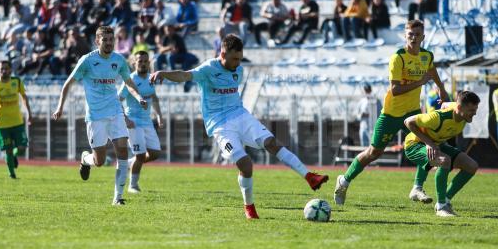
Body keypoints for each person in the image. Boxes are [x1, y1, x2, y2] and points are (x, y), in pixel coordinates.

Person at [149, 34, 329, 219]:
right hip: (219, 124)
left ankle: (309, 176)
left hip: (240, 115)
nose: (237, 63)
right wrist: (164, 74)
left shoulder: (239, 70)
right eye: (234, 58)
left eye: (240, 59)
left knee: (272, 142)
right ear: (223, 53)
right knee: (245, 164)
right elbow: (185, 75)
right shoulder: (209, 68)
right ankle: (249, 207)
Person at [334, 19, 449, 205]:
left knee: (429, 143)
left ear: (423, 37)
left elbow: (432, 70)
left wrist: (441, 89)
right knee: (373, 153)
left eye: (417, 35)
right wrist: (421, 82)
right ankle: (344, 180)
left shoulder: (427, 56)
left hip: (412, 113)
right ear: (405, 35)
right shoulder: (398, 58)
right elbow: (395, 89)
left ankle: (417, 188)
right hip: (391, 114)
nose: (413, 37)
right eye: (410, 34)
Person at [52, 26, 147, 205]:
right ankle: (85, 159)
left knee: (122, 151)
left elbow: (129, 83)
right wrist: (60, 107)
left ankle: (117, 198)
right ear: (98, 41)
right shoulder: (87, 61)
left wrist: (139, 97)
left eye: (112, 40)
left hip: (115, 111)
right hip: (95, 116)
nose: (109, 43)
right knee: (99, 161)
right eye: (106, 40)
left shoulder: (119, 60)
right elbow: (68, 84)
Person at [404, 91, 480, 217]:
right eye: (471, 110)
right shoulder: (437, 118)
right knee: (444, 160)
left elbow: (447, 104)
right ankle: (441, 207)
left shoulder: (461, 113)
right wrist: (429, 143)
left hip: (437, 144)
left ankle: (446, 199)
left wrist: (444, 103)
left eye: (475, 109)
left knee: (471, 166)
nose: (475, 113)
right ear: (460, 108)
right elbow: (408, 122)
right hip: (414, 145)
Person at [119, 50, 164, 193]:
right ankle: (133, 185)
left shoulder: (151, 79)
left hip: (147, 121)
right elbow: (117, 101)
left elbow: (154, 97)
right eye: (140, 61)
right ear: (134, 63)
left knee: (155, 153)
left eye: (145, 61)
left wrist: (159, 116)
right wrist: (125, 119)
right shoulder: (129, 80)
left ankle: (131, 163)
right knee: (140, 155)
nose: (143, 64)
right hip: (133, 121)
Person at [0, 61, 33, 179]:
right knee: (8, 150)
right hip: (2, 123)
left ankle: (14, 157)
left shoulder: (17, 82)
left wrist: (29, 113)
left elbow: (24, 97)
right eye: (1, 69)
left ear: (10, 70)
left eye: (6, 69)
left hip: (17, 121)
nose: (3, 71)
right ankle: (12, 174)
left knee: (22, 147)